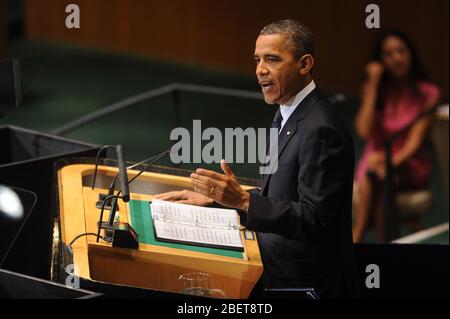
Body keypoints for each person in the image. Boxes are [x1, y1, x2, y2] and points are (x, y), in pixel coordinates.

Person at [155, 19, 357, 298]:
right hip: (274, 267)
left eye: (272, 60)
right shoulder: (288, 111)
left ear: (305, 64)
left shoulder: (321, 129)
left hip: (304, 285)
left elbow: (316, 219)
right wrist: (218, 201)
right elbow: (283, 194)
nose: (260, 70)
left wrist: (244, 201)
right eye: (257, 60)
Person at [352, 30, 441, 243]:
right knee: (376, 174)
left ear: (411, 54)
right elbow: (364, 130)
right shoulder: (376, 90)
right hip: (374, 158)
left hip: (408, 162)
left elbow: (415, 142)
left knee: (380, 175)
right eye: (389, 54)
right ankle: (382, 240)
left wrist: (388, 162)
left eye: (401, 51)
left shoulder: (428, 92)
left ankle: (359, 234)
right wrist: (373, 84)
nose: (397, 58)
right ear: (380, 60)